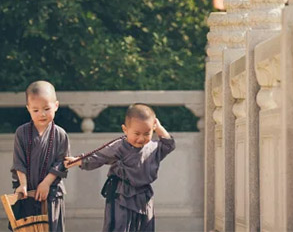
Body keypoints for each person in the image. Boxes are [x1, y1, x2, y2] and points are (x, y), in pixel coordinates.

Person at [64, 103, 175, 232]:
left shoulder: (154, 147)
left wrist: (159, 127)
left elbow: (169, 144)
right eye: (137, 133)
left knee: (144, 228)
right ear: (125, 130)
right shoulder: (119, 146)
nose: (141, 138)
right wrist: (77, 161)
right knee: (120, 227)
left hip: (144, 197)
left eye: (147, 133)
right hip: (122, 195)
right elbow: (99, 156)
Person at [10, 80, 70, 232]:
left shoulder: (60, 134)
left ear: (56, 106)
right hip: (27, 192)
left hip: (51, 192)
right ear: (28, 109)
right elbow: (19, 162)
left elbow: (61, 163)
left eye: (46, 108)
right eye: (35, 110)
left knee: (52, 228)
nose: (42, 114)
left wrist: (46, 183)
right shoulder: (21, 133)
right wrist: (22, 185)